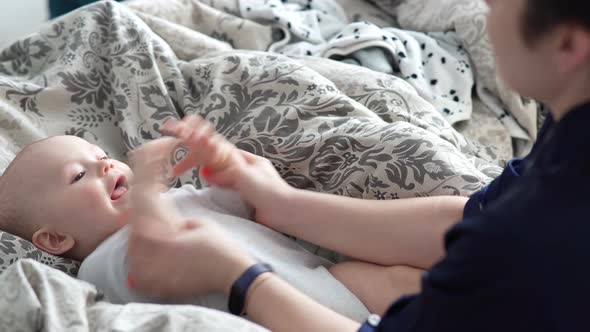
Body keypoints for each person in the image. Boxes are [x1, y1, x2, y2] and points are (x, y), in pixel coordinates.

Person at [124, 0, 590, 331]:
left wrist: (239, 278)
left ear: (569, 44)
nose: (485, 8)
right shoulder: (570, 129)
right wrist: (281, 202)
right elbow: (476, 215)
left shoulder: (533, 240)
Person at [0, 128, 427, 320]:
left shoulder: (180, 198)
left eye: (99, 155)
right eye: (78, 175)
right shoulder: (100, 266)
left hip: (326, 279)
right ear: (55, 238)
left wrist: (224, 164)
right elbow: (152, 254)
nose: (104, 164)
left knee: (403, 280)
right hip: (277, 316)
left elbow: (238, 205)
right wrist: (147, 192)